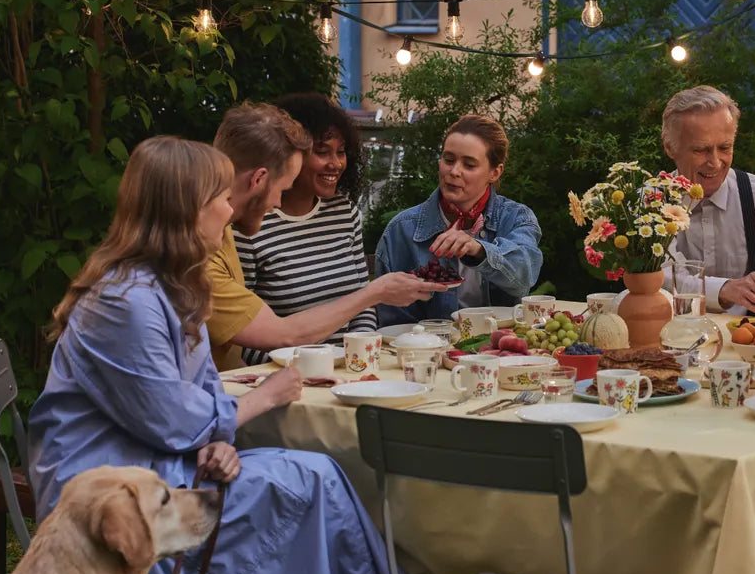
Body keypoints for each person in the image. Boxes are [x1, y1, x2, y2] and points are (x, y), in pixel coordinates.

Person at [27, 136, 407, 574]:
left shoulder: (173, 282)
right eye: (218, 199)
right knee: (301, 487)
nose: (230, 209)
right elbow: (173, 421)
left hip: (162, 463)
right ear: (185, 209)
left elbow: (199, 392)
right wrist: (264, 400)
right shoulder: (125, 300)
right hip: (109, 489)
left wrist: (221, 443)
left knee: (309, 478)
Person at [207, 102, 443, 369]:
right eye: (282, 187)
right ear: (258, 179)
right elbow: (278, 335)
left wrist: (357, 354)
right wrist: (375, 292)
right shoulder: (205, 253)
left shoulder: (215, 236)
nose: (276, 203)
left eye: (341, 152)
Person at [234, 93, 374, 364]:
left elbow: (362, 304)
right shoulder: (249, 225)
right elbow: (241, 333)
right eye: (322, 152)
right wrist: (303, 366)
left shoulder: (344, 213)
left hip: (349, 369)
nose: (336, 163)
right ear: (291, 156)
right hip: (283, 376)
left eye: (341, 151)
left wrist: (358, 356)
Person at [373, 113, 542, 325]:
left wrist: (478, 250)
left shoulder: (516, 217)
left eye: (469, 165)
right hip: (428, 351)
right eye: (448, 160)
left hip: (501, 348)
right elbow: (394, 324)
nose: (454, 172)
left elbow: (524, 277)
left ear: (495, 172)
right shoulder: (401, 231)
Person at [660, 85, 755, 313]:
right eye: (700, 150)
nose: (715, 162)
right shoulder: (648, 202)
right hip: (671, 340)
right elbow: (660, 280)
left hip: (749, 342)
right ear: (670, 147)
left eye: (725, 147)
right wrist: (724, 289)